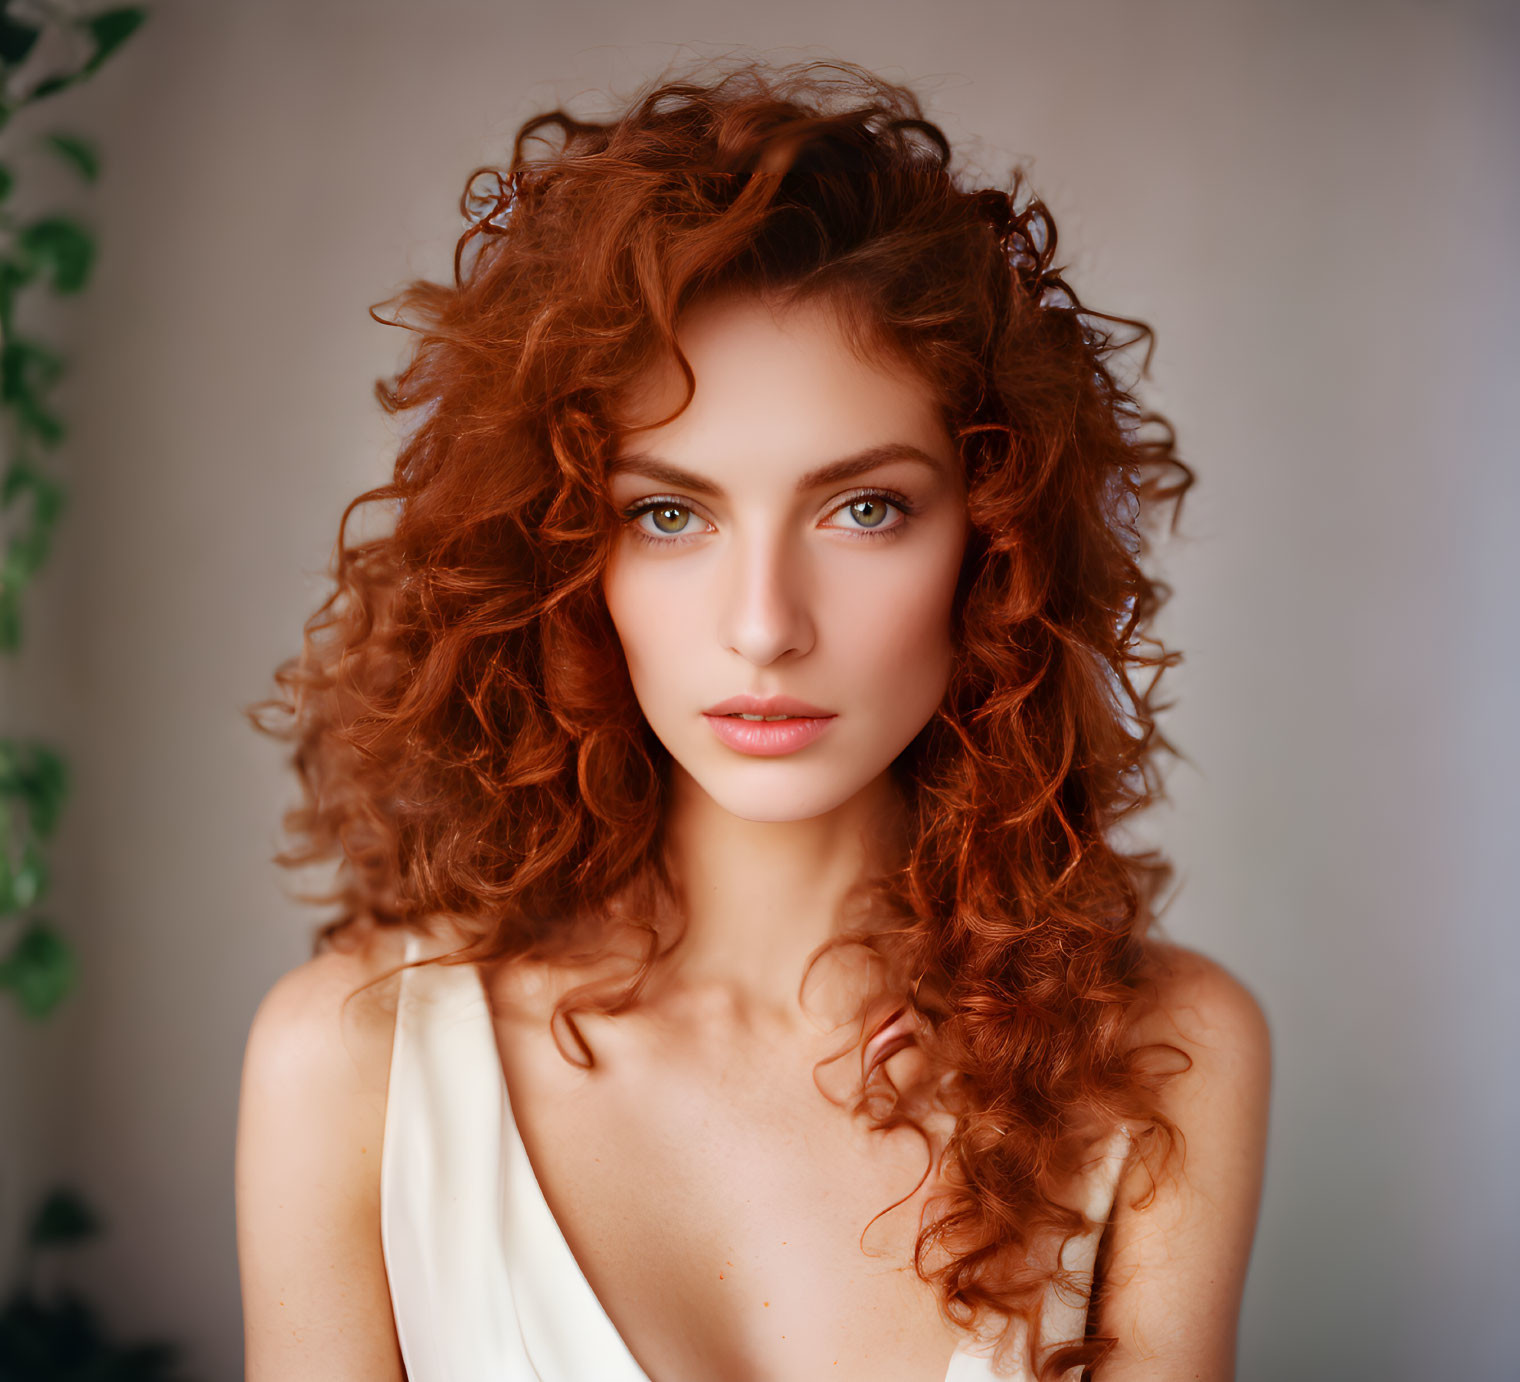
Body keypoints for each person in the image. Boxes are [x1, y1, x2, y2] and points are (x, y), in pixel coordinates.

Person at [234, 57, 1270, 1382]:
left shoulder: (1161, 1062)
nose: (765, 624)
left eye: (865, 508)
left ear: (995, 542)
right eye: (670, 513)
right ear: (564, 555)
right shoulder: (355, 1067)